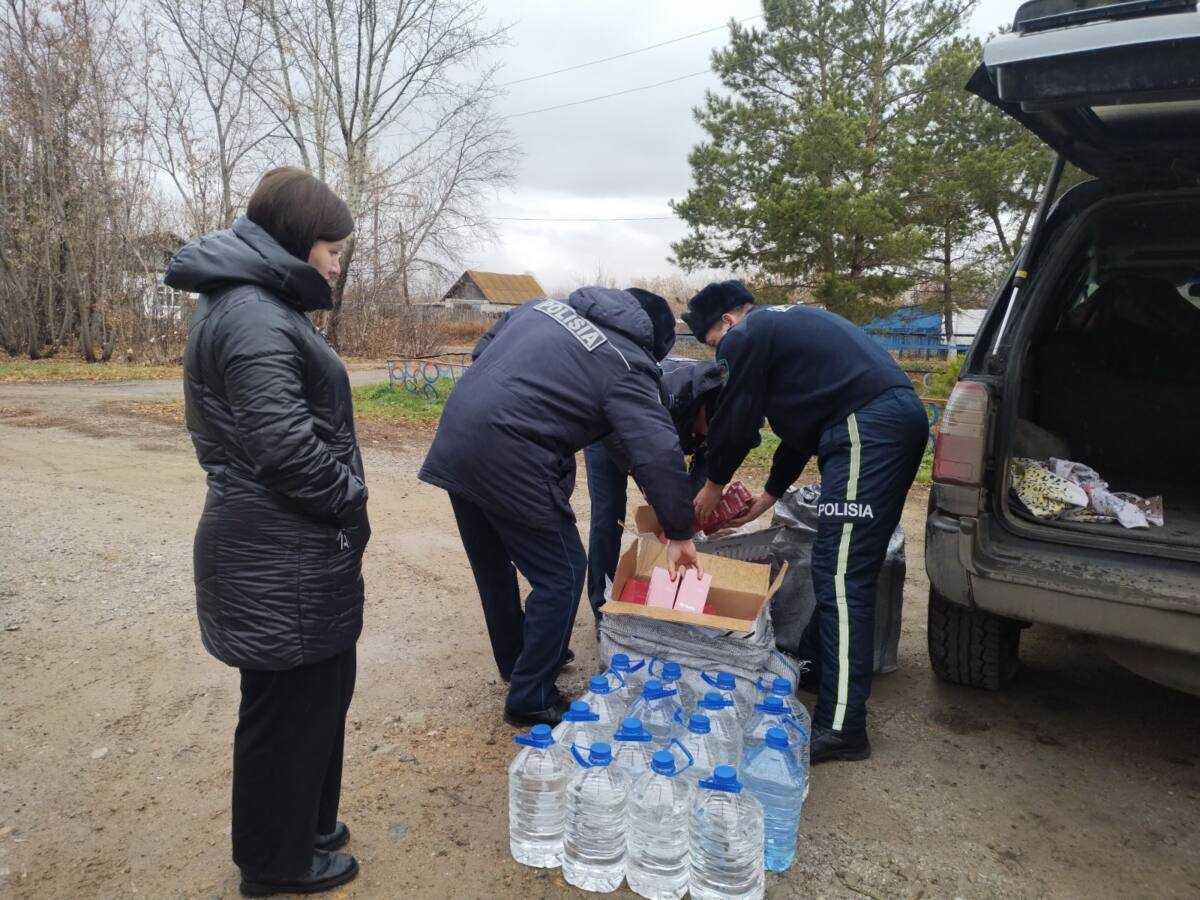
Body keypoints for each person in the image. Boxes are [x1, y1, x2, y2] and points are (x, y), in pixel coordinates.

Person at [164, 167, 367, 897]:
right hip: (274, 549)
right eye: (331, 250)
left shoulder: (262, 304)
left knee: (318, 692)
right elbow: (283, 446)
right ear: (293, 242)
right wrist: (349, 498)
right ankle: (274, 865)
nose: (338, 265)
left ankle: (305, 825)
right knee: (284, 711)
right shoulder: (251, 312)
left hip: (290, 545)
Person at [419, 286, 702, 727]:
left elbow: (483, 351)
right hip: (513, 455)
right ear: (653, 341)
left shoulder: (541, 309)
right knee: (564, 574)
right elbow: (656, 449)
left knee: (493, 565)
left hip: (459, 437)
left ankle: (519, 663)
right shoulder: (627, 362)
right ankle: (530, 696)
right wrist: (680, 529)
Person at [684, 280, 928, 765]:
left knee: (840, 577)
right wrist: (769, 495)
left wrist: (711, 487)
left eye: (713, 344)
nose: (720, 356)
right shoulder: (786, 332)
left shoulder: (747, 334)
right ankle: (828, 675)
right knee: (842, 564)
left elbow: (736, 417)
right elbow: (799, 436)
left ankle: (843, 728)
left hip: (867, 427)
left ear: (727, 323)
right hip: (877, 422)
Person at [584, 353, 723, 619]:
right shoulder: (667, 397)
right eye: (705, 429)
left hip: (654, 433)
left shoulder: (721, 413)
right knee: (607, 515)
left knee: (680, 512)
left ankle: (668, 588)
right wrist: (650, 485)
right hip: (608, 430)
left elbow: (703, 468)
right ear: (701, 409)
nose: (705, 437)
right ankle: (602, 608)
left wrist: (686, 512)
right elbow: (641, 455)